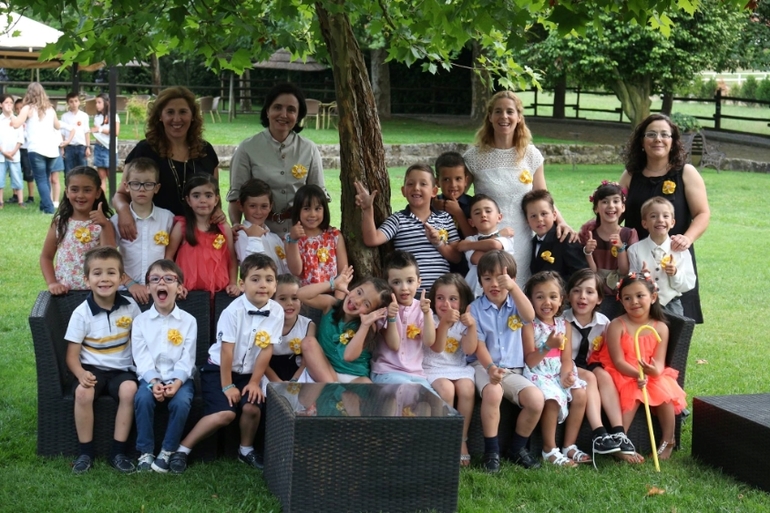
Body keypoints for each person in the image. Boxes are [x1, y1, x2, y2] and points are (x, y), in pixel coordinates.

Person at [171, 254, 283, 473]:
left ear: (275, 284)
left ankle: (245, 450)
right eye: (255, 279)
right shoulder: (233, 311)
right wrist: (228, 385)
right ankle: (182, 450)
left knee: (252, 407)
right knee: (225, 414)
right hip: (220, 370)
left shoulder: (276, 311)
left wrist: (254, 382)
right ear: (242, 284)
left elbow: (266, 349)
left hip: (249, 373)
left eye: (269, 279)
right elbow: (226, 351)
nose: (263, 285)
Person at [464, 91, 573, 286]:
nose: (504, 117)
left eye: (510, 111)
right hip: (489, 239)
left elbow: (542, 197)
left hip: (522, 239)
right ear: (490, 117)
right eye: (498, 111)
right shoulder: (474, 157)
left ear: (519, 117)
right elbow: (458, 193)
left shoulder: (530, 155)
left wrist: (561, 221)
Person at [619, 113, 709, 323]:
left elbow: (702, 213)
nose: (657, 139)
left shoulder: (686, 173)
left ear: (673, 141)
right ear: (642, 141)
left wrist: (687, 239)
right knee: (637, 321)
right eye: (651, 134)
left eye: (664, 134)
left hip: (674, 255)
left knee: (677, 325)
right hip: (638, 257)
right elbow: (615, 212)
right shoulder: (630, 175)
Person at [591, 271, 687, 460]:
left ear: (653, 297)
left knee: (664, 390)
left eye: (640, 296)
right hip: (622, 370)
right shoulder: (617, 325)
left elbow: (659, 362)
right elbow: (618, 361)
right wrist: (637, 375)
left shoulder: (660, 327)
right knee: (633, 392)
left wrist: (653, 372)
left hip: (648, 372)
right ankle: (621, 442)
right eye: (627, 298)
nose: (634, 302)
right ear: (621, 301)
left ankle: (668, 440)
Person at [64, 247, 140, 474]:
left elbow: (140, 342)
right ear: (87, 279)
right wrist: (80, 374)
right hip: (92, 368)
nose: (104, 278)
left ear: (121, 278)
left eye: (111, 273)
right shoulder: (81, 313)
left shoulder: (130, 307)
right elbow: (71, 356)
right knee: (82, 393)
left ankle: (118, 452)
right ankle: (85, 453)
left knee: (129, 390)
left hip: (122, 369)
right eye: (97, 273)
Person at [469, 250, 542, 473]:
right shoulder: (475, 309)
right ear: (480, 281)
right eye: (487, 278)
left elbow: (530, 316)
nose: (494, 284)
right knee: (493, 392)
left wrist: (514, 288)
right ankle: (492, 452)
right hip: (483, 366)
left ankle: (517, 448)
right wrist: (490, 368)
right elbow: (479, 345)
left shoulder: (516, 303)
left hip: (512, 370)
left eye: (501, 278)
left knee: (536, 400)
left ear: (512, 279)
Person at [118, 86, 220, 239]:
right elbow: (120, 194)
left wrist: (218, 212)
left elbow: (215, 196)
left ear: (193, 115)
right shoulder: (144, 150)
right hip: (155, 236)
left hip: (197, 237)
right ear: (160, 116)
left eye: (183, 112)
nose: (177, 119)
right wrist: (123, 212)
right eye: (170, 112)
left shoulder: (206, 151)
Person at [227, 82, 325, 236]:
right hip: (260, 235)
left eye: (291, 110)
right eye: (277, 107)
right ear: (267, 111)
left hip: (301, 234)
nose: (283, 115)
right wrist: (236, 226)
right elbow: (236, 196)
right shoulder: (247, 148)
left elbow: (319, 197)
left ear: (298, 116)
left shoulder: (309, 149)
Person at [564, 269, 637, 462]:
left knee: (603, 375)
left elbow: (607, 353)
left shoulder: (604, 323)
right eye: (577, 291)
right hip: (565, 368)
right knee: (590, 377)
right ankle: (599, 433)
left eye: (590, 292)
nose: (582, 296)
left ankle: (619, 432)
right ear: (568, 296)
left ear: (599, 299)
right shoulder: (561, 321)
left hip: (592, 365)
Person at [131, 259, 196, 473]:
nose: (162, 283)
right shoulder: (140, 322)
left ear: (179, 288)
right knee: (142, 399)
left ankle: (168, 451)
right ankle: (145, 451)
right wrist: (154, 382)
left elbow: (188, 357)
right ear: (148, 288)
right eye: (155, 279)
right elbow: (141, 357)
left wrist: (177, 383)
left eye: (169, 279)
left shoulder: (189, 321)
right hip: (151, 377)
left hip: (179, 378)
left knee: (181, 403)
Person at [356, 164, 461, 292]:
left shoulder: (445, 218)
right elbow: (371, 239)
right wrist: (367, 209)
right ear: (403, 191)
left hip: (440, 293)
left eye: (423, 184)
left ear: (434, 191)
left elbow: (457, 257)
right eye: (410, 184)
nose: (416, 188)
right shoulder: (398, 220)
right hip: (408, 294)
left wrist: (439, 243)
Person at [522, 271, 588, 467]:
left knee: (580, 394)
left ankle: (569, 445)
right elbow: (529, 360)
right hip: (538, 373)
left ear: (561, 300)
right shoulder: (529, 325)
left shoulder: (564, 325)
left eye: (552, 297)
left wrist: (567, 375)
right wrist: (547, 346)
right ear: (530, 300)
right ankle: (549, 449)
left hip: (558, 371)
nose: (547, 302)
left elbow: (566, 358)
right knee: (552, 399)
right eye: (539, 297)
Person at [297, 266, 392, 383]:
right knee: (308, 342)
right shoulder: (331, 305)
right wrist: (332, 284)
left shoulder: (368, 327)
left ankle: (334, 389)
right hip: (324, 369)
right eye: (359, 292)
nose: (357, 301)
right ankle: (333, 386)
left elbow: (348, 356)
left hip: (352, 376)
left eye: (366, 304)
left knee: (365, 383)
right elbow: (301, 295)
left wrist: (364, 326)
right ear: (353, 287)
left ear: (372, 313)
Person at [423, 273, 478, 467]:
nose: (446, 304)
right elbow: (437, 348)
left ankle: (461, 439)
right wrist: (445, 324)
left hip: (457, 367)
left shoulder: (463, 323)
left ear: (462, 301)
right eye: (440, 298)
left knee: (467, 388)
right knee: (447, 390)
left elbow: (470, 350)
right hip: (433, 366)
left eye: (453, 298)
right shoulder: (431, 319)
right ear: (433, 300)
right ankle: (445, 439)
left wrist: (472, 326)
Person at [40, 167, 115, 294]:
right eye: (74, 190)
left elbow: (110, 257)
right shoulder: (60, 222)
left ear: (97, 193)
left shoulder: (104, 223)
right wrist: (52, 283)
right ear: (67, 192)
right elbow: (46, 257)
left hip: (96, 293)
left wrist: (104, 225)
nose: (80, 195)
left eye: (87, 190)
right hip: (65, 293)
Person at [111, 157, 174, 305]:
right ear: (126, 186)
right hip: (125, 290)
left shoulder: (168, 218)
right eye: (135, 184)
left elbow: (173, 256)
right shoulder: (116, 221)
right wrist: (129, 283)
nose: (142, 189)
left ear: (156, 188)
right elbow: (109, 258)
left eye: (148, 184)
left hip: (159, 291)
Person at [165, 175, 239, 297]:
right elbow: (168, 257)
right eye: (196, 196)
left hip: (219, 292)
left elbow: (232, 258)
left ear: (216, 200)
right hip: (186, 291)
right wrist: (175, 283)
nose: (202, 200)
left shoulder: (223, 228)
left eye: (208, 196)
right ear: (188, 200)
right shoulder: (182, 226)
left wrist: (233, 283)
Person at [371, 251, 436, 389]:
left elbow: (429, 341)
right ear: (387, 284)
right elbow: (394, 345)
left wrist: (426, 314)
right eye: (396, 282)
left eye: (410, 281)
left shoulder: (422, 309)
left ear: (419, 282)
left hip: (416, 375)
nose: (404, 288)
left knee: (432, 399)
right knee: (408, 391)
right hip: (387, 371)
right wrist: (391, 317)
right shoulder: (384, 309)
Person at [627, 197, 696, 316]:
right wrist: (641, 277)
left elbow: (688, 284)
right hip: (645, 306)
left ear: (672, 222)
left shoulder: (681, 251)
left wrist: (675, 273)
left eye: (665, 216)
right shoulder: (634, 250)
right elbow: (631, 282)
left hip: (672, 305)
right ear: (644, 223)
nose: (660, 220)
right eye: (653, 216)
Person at [580, 181, 638, 313]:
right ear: (596, 208)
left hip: (621, 293)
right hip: (596, 291)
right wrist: (588, 252)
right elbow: (592, 272)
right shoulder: (589, 234)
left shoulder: (629, 234)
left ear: (623, 207)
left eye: (616, 201)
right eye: (605, 202)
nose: (611, 206)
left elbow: (625, 271)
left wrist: (621, 248)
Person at [11, 82, 64, 214]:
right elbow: (57, 126)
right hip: (52, 150)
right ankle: (43, 205)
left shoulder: (27, 109)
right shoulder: (50, 109)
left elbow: (16, 124)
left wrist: (10, 114)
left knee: (40, 179)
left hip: (36, 149)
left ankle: (49, 208)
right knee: (45, 178)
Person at [285, 184, 348, 286]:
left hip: (332, 292)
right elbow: (296, 271)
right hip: (304, 293)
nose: (312, 214)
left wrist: (338, 295)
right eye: (306, 209)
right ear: (297, 210)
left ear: (324, 210)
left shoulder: (335, 236)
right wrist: (294, 241)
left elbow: (343, 273)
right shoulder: (290, 238)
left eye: (318, 209)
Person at [456, 194, 515, 298]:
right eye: (477, 213)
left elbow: (495, 245)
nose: (483, 215)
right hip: (474, 291)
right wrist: (497, 236)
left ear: (499, 217)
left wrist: (469, 246)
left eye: (488, 211)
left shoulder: (506, 237)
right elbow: (476, 259)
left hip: (499, 289)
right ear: (471, 222)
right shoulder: (470, 239)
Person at [523, 189, 586, 284]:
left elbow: (580, 273)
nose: (539, 219)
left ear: (554, 215)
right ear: (527, 221)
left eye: (544, 214)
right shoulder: (533, 242)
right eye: (533, 216)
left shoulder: (565, 239)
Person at [265, 274, 316, 383]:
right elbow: (261, 362)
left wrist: (294, 381)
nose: (289, 303)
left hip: (298, 374)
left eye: (294, 298)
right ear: (272, 301)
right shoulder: (265, 325)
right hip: (269, 374)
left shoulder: (308, 326)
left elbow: (306, 362)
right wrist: (278, 382)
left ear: (301, 301)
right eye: (282, 299)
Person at [234, 178, 290, 274]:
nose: (258, 212)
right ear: (240, 205)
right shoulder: (240, 236)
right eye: (252, 206)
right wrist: (254, 238)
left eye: (264, 206)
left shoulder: (275, 238)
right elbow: (253, 269)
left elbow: (286, 269)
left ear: (270, 206)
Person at [432, 151, 474, 276]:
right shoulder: (432, 204)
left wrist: (458, 213)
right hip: (438, 266)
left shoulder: (473, 205)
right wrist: (434, 207)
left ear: (466, 180)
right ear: (437, 182)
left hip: (466, 268)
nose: (453, 185)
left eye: (458, 179)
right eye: (446, 179)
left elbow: (474, 237)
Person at [88, 93, 119, 193]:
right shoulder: (97, 117)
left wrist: (100, 129)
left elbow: (116, 132)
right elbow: (95, 130)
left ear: (106, 103)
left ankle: (113, 198)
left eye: (99, 102)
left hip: (109, 148)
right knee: (101, 177)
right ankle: (102, 200)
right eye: (96, 102)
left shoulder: (113, 116)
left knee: (111, 176)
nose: (97, 105)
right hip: (99, 147)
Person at [0, 94, 25, 208]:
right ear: (1, 105)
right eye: (6, 102)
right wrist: (4, 152)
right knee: (0, 179)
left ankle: (20, 201)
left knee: (17, 178)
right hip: (1, 155)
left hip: (14, 155)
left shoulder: (17, 120)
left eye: (11, 103)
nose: (9, 105)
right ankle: (1, 202)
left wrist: (13, 152)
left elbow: (20, 138)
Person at [60, 92, 91, 174]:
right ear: (68, 103)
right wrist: (62, 148)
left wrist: (88, 147)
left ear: (79, 102)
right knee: (69, 171)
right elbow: (62, 133)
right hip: (69, 147)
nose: (74, 104)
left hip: (81, 147)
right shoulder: (64, 117)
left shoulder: (84, 116)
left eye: (76, 101)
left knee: (83, 171)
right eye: (71, 101)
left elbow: (86, 132)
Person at [14, 98, 36, 205]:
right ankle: (15, 195)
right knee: (15, 172)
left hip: (27, 149)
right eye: (17, 109)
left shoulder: (30, 121)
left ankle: (31, 196)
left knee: (28, 173)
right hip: (17, 149)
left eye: (21, 108)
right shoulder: (15, 121)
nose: (19, 111)